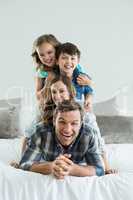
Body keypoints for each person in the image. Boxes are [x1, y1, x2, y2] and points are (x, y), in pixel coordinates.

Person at [19, 100, 104, 178]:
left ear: (81, 124)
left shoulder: (89, 134)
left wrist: (72, 169)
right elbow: (24, 164)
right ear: (54, 121)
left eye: (74, 123)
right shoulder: (41, 131)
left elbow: (99, 170)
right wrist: (51, 166)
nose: (67, 129)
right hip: (45, 159)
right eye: (62, 122)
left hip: (78, 164)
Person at [32, 34, 92, 102]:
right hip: (51, 103)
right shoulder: (42, 72)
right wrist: (48, 83)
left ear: (57, 50)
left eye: (49, 52)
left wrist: (89, 82)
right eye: (42, 55)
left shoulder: (70, 66)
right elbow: (38, 96)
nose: (46, 57)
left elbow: (85, 85)